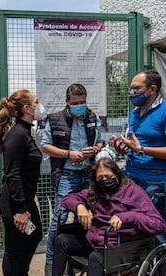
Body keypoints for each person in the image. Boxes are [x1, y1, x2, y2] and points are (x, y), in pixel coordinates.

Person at [52, 158, 166, 276]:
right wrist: (79, 206)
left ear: (117, 174)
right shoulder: (96, 191)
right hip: (94, 241)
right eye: (100, 178)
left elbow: (159, 225)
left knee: (95, 258)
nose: (104, 180)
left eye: (108, 176)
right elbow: (66, 199)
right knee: (61, 240)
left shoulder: (133, 192)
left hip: (119, 247)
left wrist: (128, 216)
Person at [113, 70, 166, 247]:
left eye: (136, 88)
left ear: (152, 89)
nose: (131, 92)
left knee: (158, 229)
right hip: (131, 177)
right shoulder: (135, 112)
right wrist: (124, 150)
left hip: (156, 181)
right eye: (130, 88)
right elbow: (136, 146)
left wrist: (143, 150)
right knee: (134, 230)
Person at [40, 83, 103, 274]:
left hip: (87, 173)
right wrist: (69, 154)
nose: (79, 106)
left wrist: (95, 149)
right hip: (67, 174)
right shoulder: (55, 119)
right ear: (67, 102)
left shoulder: (92, 117)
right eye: (75, 103)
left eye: (82, 102)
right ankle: (51, 260)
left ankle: (75, 255)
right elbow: (45, 146)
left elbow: (100, 142)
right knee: (59, 216)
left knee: (82, 217)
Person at [0, 89, 43, 276]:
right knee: (15, 249)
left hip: (25, 200)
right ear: (27, 108)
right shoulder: (16, 135)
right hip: (16, 204)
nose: (39, 106)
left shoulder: (25, 132)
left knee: (33, 235)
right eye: (36, 102)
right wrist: (21, 210)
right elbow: (12, 174)